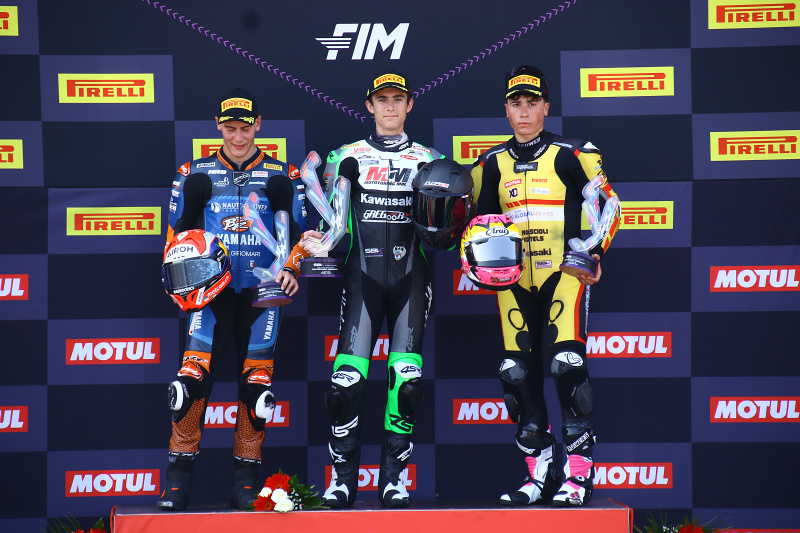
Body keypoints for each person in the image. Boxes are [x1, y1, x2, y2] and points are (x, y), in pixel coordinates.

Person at [470, 65, 620, 507]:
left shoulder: (572, 153)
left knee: (567, 365)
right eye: (516, 103)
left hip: (564, 276)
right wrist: (471, 258)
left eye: (532, 103)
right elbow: (476, 225)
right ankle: (540, 471)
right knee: (515, 373)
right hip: (512, 281)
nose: (524, 112)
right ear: (506, 109)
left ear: (546, 107)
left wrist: (594, 253)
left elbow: (609, 206)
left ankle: (579, 475)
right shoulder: (490, 162)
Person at [157, 88, 308, 511]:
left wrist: (292, 267)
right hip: (210, 295)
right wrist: (176, 283)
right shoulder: (194, 173)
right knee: (190, 383)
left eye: (245, 128)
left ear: (258, 125)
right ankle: (177, 481)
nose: (238, 137)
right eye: (230, 129)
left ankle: (245, 482)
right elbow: (174, 237)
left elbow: (301, 234)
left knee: (257, 388)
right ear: (218, 127)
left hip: (263, 295)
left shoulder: (283, 174)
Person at [301, 72, 443, 508]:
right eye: (382, 99)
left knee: (407, 383)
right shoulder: (344, 156)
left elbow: (446, 229)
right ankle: (342, 481)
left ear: (410, 104)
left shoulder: (431, 160)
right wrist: (317, 241)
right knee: (345, 384)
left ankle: (394, 479)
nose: (390, 107)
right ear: (369, 105)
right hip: (361, 279)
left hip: (411, 280)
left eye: (398, 99)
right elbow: (331, 223)